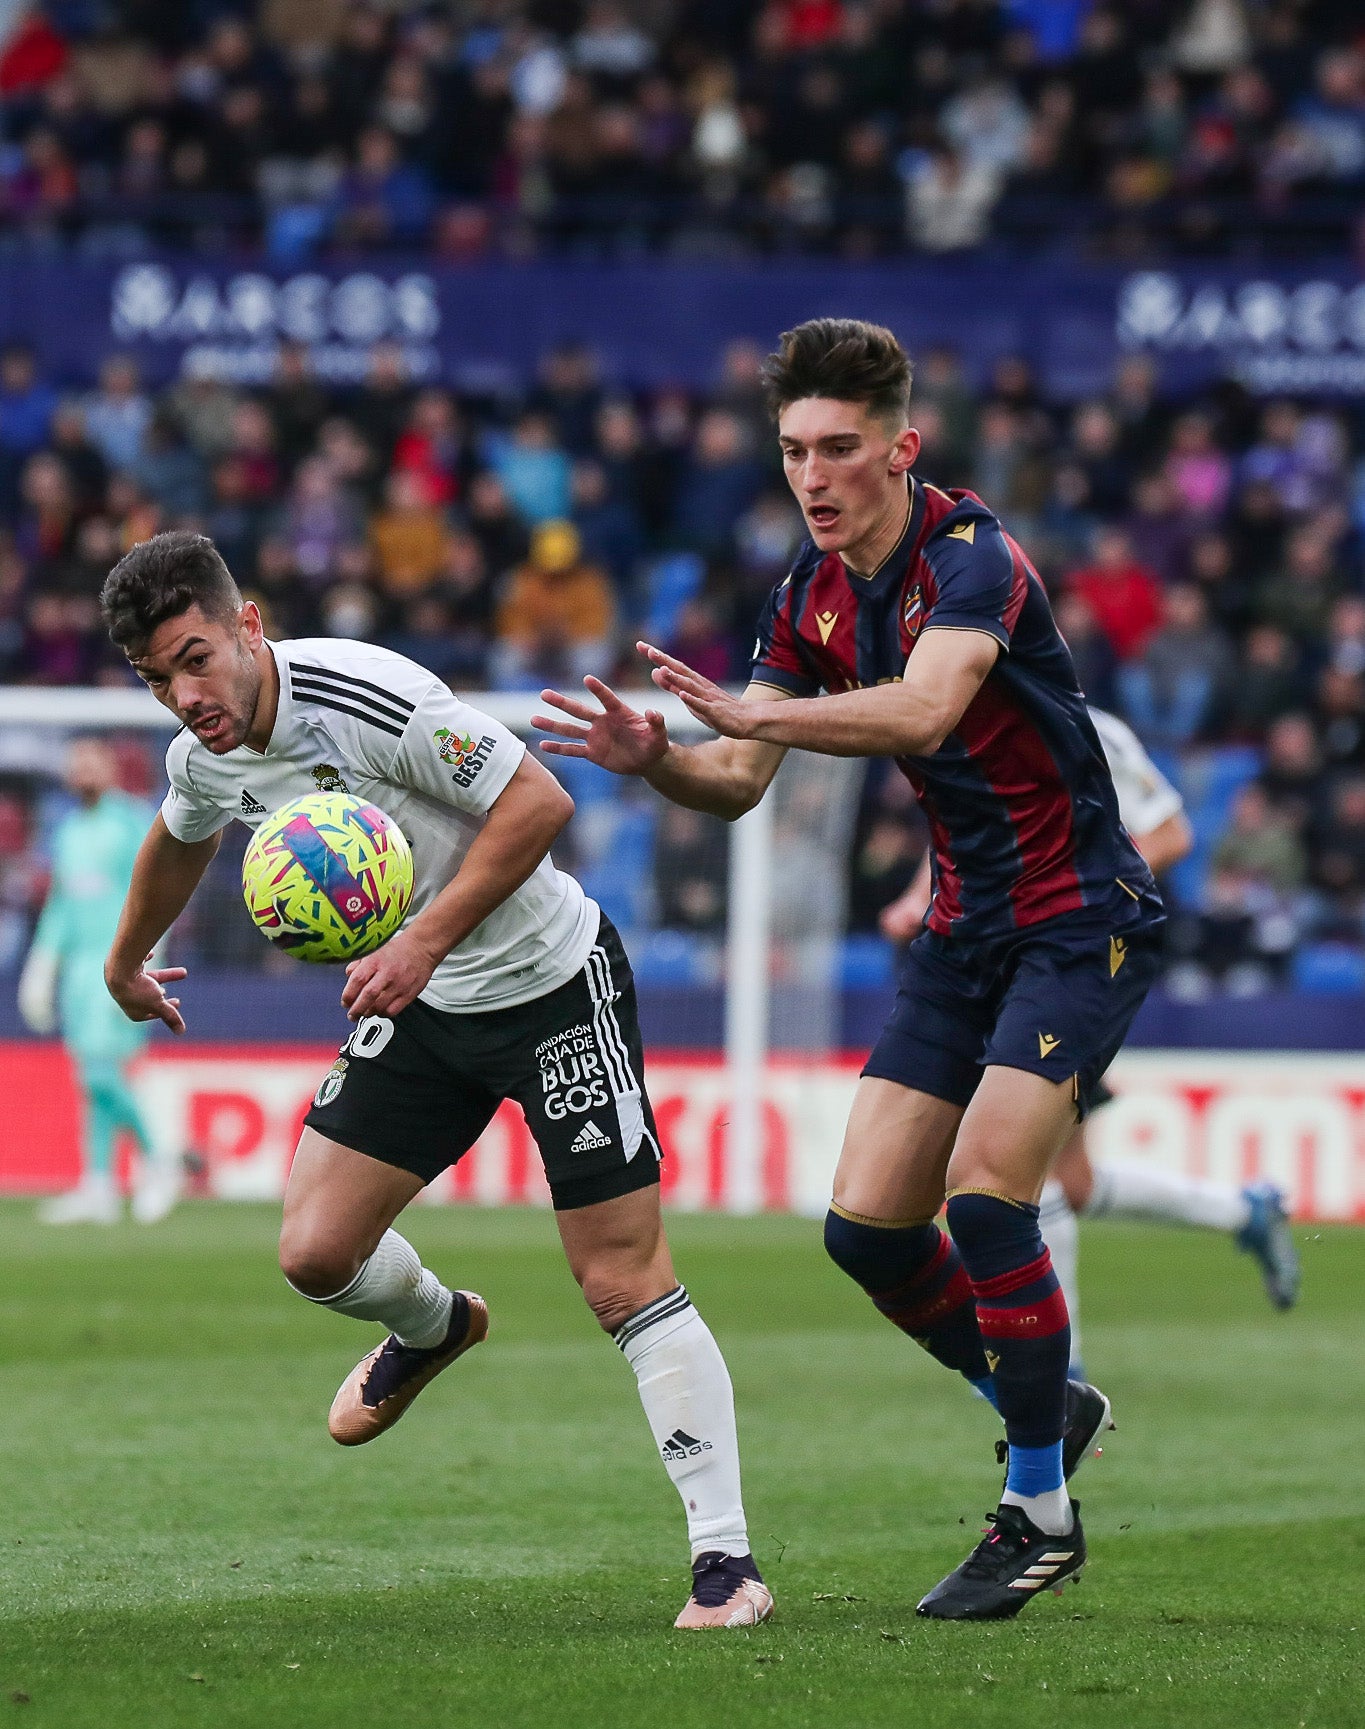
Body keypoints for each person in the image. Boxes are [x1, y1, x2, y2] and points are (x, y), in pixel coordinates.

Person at [536, 318, 1166, 1620]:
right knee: (866, 1229)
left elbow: (928, 707)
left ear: (900, 448)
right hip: (959, 927)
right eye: (791, 453)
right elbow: (733, 784)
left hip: (1073, 915)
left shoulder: (971, 557)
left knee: (989, 1200)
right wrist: (656, 757)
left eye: (838, 449)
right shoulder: (807, 597)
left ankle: (1037, 1506)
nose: (813, 478)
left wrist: (756, 710)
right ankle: (1043, 1398)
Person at [97, 530, 771, 1632]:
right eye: (156, 678)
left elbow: (541, 803)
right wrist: (126, 960)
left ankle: (726, 1561)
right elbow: (181, 830)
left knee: (619, 1277)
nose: (185, 695)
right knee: (314, 1252)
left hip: (551, 985)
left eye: (195, 658)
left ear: (248, 625)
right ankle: (435, 1326)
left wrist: (421, 944)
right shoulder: (205, 748)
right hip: (424, 1009)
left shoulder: (370, 695)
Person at [882, 704, 1301, 1372]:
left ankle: (1057, 1369)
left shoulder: (1084, 725)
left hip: (1065, 962)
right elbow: (961, 837)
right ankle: (1242, 1211)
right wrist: (916, 897)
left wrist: (1070, 885)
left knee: (1020, 1167)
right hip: (990, 957)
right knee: (1065, 1180)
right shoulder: (963, 718)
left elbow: (1169, 833)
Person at [19, 738, 179, 1224]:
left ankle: (162, 1161)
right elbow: (62, 905)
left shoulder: (132, 822)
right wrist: (42, 964)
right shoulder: (66, 829)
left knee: (101, 1074)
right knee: (91, 1082)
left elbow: (159, 892)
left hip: (122, 969)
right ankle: (100, 1185)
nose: (82, 770)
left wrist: (148, 964)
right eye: (75, 763)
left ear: (110, 768)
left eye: (92, 761)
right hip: (78, 975)